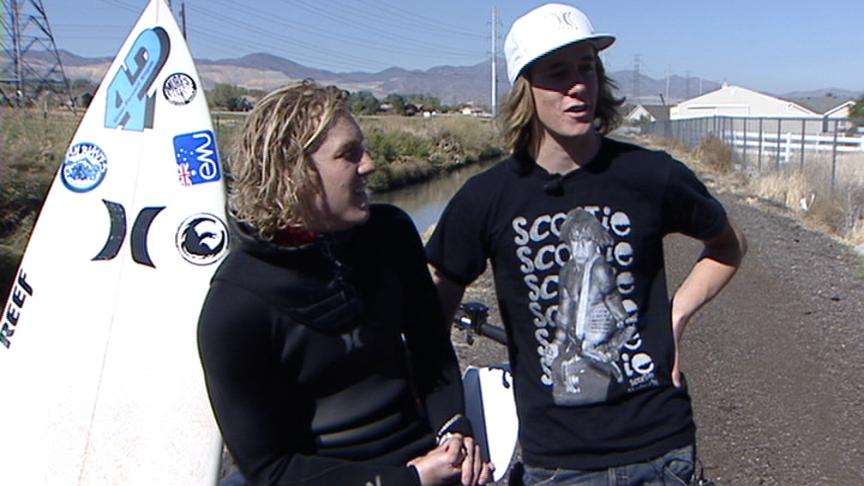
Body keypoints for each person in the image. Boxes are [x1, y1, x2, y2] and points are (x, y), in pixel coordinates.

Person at [426, 4, 747, 485]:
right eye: (557, 73)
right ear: (524, 89)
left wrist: (675, 319)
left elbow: (728, 244)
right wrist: (451, 417)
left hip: (660, 447)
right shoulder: (488, 197)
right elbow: (430, 315)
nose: (578, 85)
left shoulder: (649, 175)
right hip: (559, 460)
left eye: (586, 68)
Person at [198, 81, 491, 486]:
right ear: (294, 172)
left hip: (427, 455)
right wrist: (409, 480)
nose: (369, 164)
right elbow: (270, 469)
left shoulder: (390, 234)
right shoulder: (235, 306)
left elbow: (432, 352)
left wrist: (455, 429)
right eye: (349, 154)